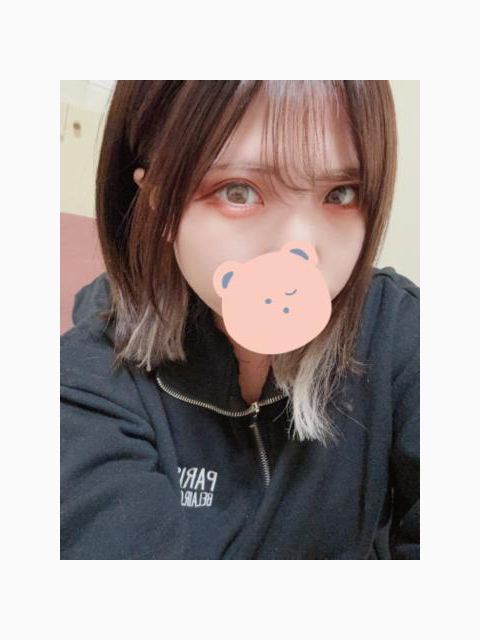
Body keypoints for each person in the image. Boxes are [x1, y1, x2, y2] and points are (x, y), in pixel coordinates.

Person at [60, 81, 419, 560]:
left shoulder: (401, 329)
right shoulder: (85, 383)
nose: (299, 249)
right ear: (157, 201)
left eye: (340, 193)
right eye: (238, 191)